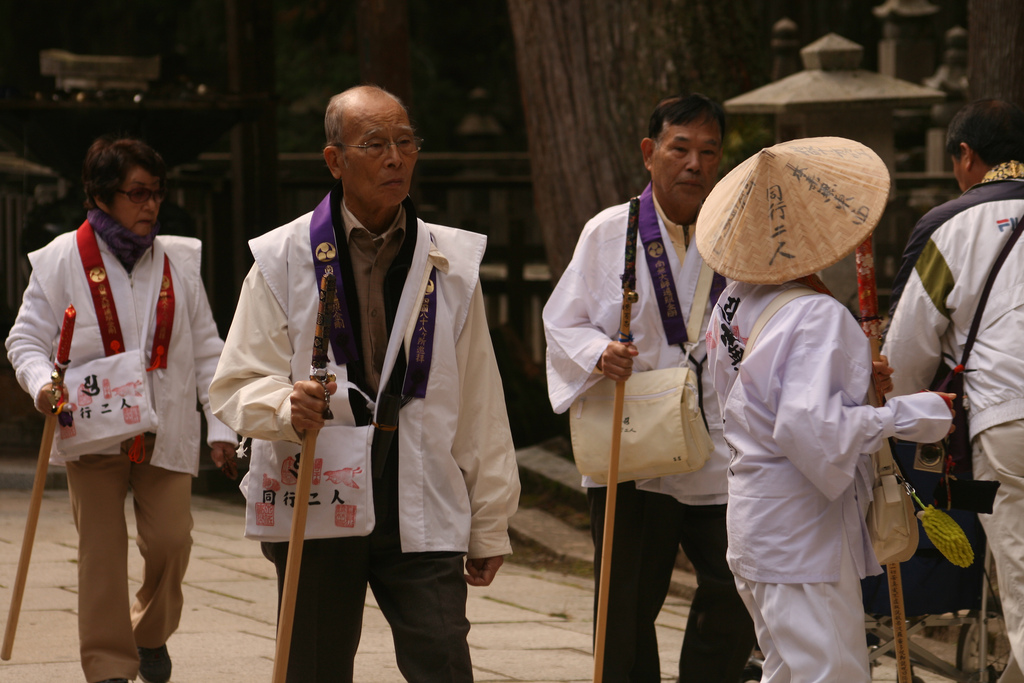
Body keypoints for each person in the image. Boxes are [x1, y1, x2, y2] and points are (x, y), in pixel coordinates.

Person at [208, 84, 520, 683]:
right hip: (321, 481)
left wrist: (489, 521)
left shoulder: (448, 261)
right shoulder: (282, 257)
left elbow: (481, 403)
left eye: (406, 143)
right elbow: (234, 384)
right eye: (375, 144)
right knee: (314, 663)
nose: (395, 158)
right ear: (335, 159)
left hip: (421, 485)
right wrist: (283, 401)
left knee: (443, 656)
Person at [699, 136, 955, 682]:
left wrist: (857, 384)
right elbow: (808, 428)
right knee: (829, 671)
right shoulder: (816, 315)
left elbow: (763, 402)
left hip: (756, 514)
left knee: (789, 669)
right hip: (798, 528)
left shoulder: (734, 298)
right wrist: (912, 414)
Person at [5, 136, 237, 683]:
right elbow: (25, 341)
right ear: (103, 196)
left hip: (167, 427)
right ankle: (109, 667)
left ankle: (150, 633)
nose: (151, 205)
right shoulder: (60, 257)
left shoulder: (179, 260)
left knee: (171, 542)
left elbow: (209, 348)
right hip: (91, 431)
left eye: (156, 193)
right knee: (101, 556)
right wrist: (42, 385)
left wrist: (222, 426)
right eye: (138, 194)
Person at [543, 93, 755, 682]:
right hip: (634, 440)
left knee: (737, 586)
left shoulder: (736, 235)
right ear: (649, 152)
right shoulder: (611, 232)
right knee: (626, 601)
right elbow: (562, 321)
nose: (694, 163)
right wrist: (599, 353)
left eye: (708, 152)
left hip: (717, 441)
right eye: (680, 148)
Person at [882, 99, 1024, 682]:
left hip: (1008, 423)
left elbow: (907, 353)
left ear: (967, 155)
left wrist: (894, 416)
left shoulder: (952, 226)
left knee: (1021, 575)